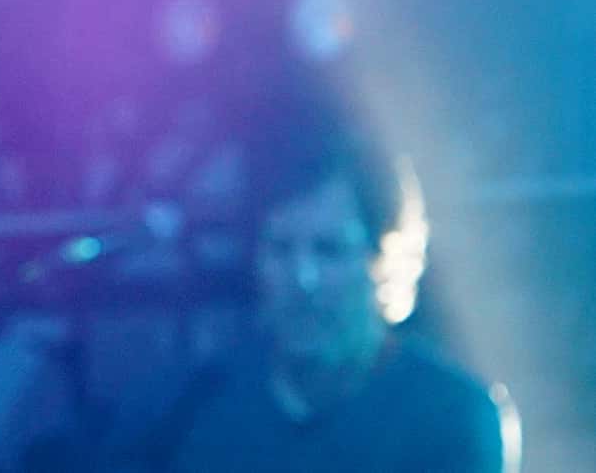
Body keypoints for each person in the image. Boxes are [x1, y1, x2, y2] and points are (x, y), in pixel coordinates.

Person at [125, 122, 518, 473]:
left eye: (329, 250)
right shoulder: (187, 410)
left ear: (387, 260)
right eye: (281, 248)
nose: (303, 279)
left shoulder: (453, 415)